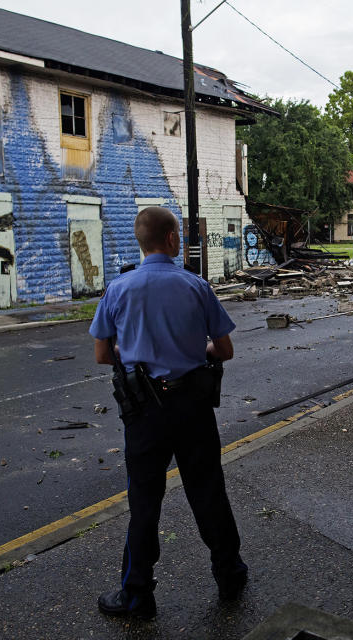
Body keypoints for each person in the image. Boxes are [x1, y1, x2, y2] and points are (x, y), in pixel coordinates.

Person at [89, 206, 247, 620]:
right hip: (193, 407)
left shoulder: (118, 289)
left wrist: (138, 355)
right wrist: (197, 351)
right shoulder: (196, 286)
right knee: (208, 492)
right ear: (173, 239)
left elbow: (104, 354)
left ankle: (137, 594)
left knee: (144, 501)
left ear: (140, 242)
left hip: (143, 413)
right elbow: (224, 350)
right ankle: (229, 576)